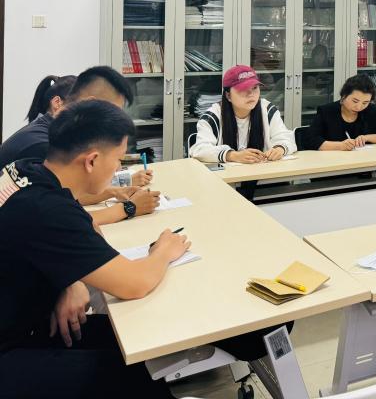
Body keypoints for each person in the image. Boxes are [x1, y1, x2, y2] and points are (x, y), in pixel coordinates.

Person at [0, 100, 191, 398]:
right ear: (91, 161)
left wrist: (69, 280)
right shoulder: (47, 208)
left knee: (127, 344)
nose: (118, 169)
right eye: (118, 160)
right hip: (11, 347)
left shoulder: (28, 171)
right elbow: (134, 284)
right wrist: (164, 250)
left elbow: (85, 226)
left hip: (24, 321)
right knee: (128, 373)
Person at [1, 67, 158, 226]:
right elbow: (66, 215)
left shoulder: (52, 132)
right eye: (112, 114)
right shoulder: (46, 145)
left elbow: (69, 195)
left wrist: (114, 191)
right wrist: (129, 207)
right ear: (90, 104)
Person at [190, 65, 296, 164]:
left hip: (263, 173)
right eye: (243, 89)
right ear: (228, 96)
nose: (251, 94)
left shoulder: (268, 110)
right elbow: (200, 150)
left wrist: (280, 149)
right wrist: (232, 155)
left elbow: (287, 138)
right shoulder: (212, 117)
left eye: (255, 88)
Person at [303, 74, 376, 151]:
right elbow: (310, 140)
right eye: (355, 101)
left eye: (365, 103)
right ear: (344, 96)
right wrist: (340, 146)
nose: (359, 107)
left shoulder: (371, 110)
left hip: (365, 159)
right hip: (333, 160)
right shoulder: (327, 111)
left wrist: (366, 138)